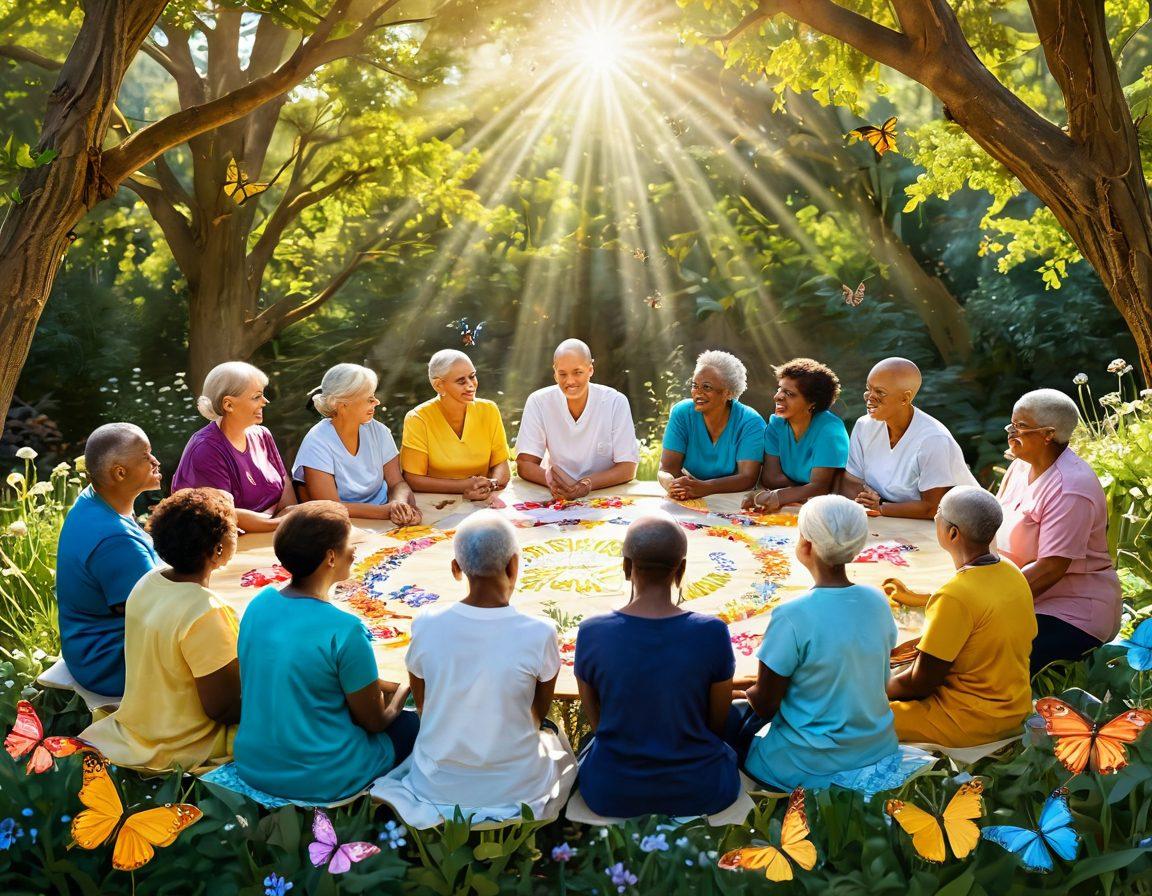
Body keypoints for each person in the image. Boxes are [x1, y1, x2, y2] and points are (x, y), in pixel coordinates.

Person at [376, 511, 573, 821]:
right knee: (555, 742)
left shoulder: (426, 624)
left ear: (456, 568)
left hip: (437, 786)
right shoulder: (540, 631)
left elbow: (424, 705)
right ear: (514, 564)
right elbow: (537, 714)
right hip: (517, 790)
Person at [233, 502, 416, 802]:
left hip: (253, 764)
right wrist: (404, 690)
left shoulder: (258, 604)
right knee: (412, 722)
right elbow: (375, 721)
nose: (355, 552)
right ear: (331, 556)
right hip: (322, 775)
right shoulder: (345, 629)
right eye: (349, 545)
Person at [575, 515, 740, 817]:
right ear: (682, 569)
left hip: (612, 790)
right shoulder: (712, 631)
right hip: (701, 789)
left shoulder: (592, 632)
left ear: (626, 567)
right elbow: (716, 725)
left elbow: (598, 724)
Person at [732, 495, 899, 790]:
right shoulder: (877, 601)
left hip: (804, 764)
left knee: (724, 718)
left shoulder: (793, 616)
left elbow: (765, 704)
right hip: (876, 749)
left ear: (806, 545)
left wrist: (735, 689)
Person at [81, 488, 242, 771]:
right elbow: (223, 710)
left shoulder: (148, 582)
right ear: (218, 549)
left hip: (142, 726)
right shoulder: (206, 612)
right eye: (234, 530)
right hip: (183, 742)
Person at [887, 487, 1036, 746]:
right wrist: (918, 598)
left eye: (939, 514)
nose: (936, 517)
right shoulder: (1012, 572)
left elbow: (919, 684)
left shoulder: (955, 596)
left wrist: (866, 691)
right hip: (1014, 708)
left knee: (851, 717)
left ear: (952, 533)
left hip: (969, 720)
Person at [995, 388, 1122, 674]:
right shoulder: (1019, 467)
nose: (1010, 432)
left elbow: (1052, 568)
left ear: (1048, 435)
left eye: (1021, 427)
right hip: (1021, 594)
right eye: (1011, 423)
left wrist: (988, 599)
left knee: (986, 657)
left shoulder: (1070, 488)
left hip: (1071, 612)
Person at [55, 423, 162, 697]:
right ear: (120, 473)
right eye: (146, 456)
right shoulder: (115, 542)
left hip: (85, 647)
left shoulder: (94, 499)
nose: (155, 461)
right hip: (109, 662)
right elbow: (157, 613)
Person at [840, 357, 976, 519]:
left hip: (950, 525)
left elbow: (933, 508)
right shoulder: (864, 426)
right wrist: (866, 499)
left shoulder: (933, 440)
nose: (870, 398)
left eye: (880, 393)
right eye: (869, 389)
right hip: (885, 518)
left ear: (905, 398)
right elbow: (850, 480)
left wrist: (881, 507)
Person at [172, 361, 296, 533]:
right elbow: (223, 515)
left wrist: (289, 518)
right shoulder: (206, 449)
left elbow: (285, 485)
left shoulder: (262, 434)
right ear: (228, 404)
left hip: (274, 534)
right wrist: (286, 521)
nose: (265, 401)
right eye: (256, 397)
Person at [293, 363, 420, 524]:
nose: (377, 402)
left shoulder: (379, 431)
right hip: (342, 526)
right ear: (343, 405)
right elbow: (331, 508)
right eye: (369, 399)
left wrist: (400, 504)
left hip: (385, 517)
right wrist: (388, 511)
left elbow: (398, 483)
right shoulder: (316, 442)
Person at [515, 338, 638, 499]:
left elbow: (628, 468)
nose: (570, 381)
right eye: (562, 374)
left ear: (590, 370)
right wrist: (554, 483)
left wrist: (585, 485)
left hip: (604, 492)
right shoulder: (539, 401)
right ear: (555, 373)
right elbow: (524, 464)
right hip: (555, 491)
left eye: (577, 372)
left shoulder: (615, 402)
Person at [401, 350, 511, 501]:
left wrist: (491, 485)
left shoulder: (489, 410)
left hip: (482, 500)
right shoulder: (418, 418)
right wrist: (464, 486)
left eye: (472, 376)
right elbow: (413, 479)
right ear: (439, 385)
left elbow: (501, 464)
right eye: (461, 381)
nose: (470, 385)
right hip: (434, 503)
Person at [743, 358, 849, 513]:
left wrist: (780, 495)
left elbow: (820, 488)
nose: (778, 397)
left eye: (789, 394)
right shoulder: (776, 424)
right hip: (798, 503)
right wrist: (802, 491)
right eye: (779, 389)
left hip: (828, 510)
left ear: (812, 403)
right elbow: (771, 479)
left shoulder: (830, 430)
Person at [658, 350, 764, 499]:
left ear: (728, 393)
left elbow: (747, 478)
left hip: (735, 497)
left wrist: (705, 488)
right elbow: (667, 468)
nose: (698, 393)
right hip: (691, 493)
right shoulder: (681, 412)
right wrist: (671, 484)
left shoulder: (750, 422)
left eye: (706, 387)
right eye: (695, 385)